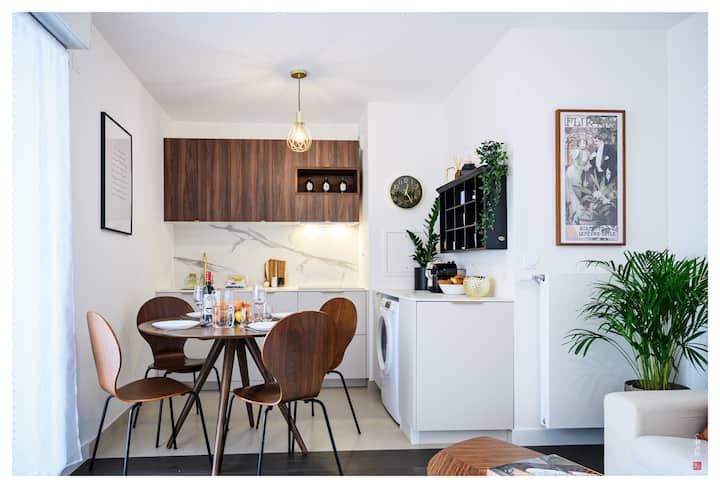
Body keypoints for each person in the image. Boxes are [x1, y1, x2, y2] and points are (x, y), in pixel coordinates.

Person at [565, 137, 591, 223]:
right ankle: (573, 212)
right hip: (573, 172)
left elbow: (588, 163)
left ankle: (578, 212)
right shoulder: (576, 151)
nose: (582, 145)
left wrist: (588, 167)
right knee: (573, 191)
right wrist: (583, 168)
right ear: (578, 144)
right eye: (581, 143)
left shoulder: (587, 153)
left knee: (579, 192)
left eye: (584, 143)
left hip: (580, 174)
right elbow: (575, 164)